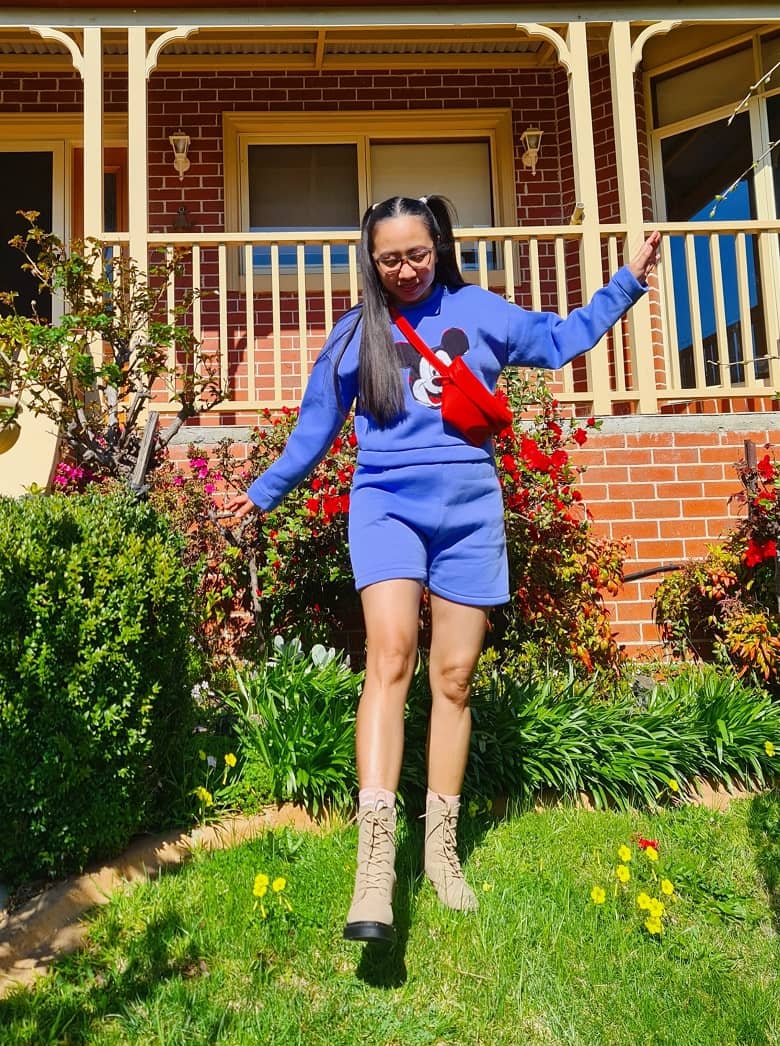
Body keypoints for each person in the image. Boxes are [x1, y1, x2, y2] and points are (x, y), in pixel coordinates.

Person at [226, 195, 661, 944]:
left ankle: (440, 851)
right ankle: (374, 866)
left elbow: (559, 341)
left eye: (417, 255)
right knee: (391, 657)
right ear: (371, 261)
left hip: (468, 513)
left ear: (440, 247)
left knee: (454, 678)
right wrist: (262, 493)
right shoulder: (356, 333)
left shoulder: (479, 311)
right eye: (389, 259)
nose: (405, 270)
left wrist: (625, 282)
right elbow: (314, 430)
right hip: (386, 507)